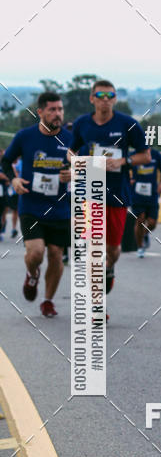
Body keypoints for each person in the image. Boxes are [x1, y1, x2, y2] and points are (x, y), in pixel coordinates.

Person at [69, 80, 149, 315]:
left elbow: (145, 155)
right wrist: (77, 162)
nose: (105, 99)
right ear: (92, 99)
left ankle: (110, 269)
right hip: (91, 193)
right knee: (94, 248)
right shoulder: (82, 124)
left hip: (117, 195)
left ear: (114, 98)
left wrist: (123, 161)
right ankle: (97, 305)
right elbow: (72, 151)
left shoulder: (128, 124)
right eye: (100, 95)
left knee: (112, 250)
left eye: (109, 95)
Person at [1, 93, 72, 316]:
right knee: (36, 253)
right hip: (31, 205)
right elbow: (5, 161)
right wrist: (13, 179)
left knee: (55, 254)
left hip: (61, 207)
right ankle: (32, 275)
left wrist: (74, 173)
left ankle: (48, 300)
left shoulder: (71, 139)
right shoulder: (25, 137)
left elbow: (86, 166)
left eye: (60, 109)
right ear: (40, 112)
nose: (57, 114)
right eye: (52, 110)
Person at [130, 147, 161, 257]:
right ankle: (140, 247)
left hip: (152, 193)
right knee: (140, 219)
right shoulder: (133, 155)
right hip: (136, 193)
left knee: (152, 223)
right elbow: (125, 170)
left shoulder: (155, 154)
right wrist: (129, 180)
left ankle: (143, 235)